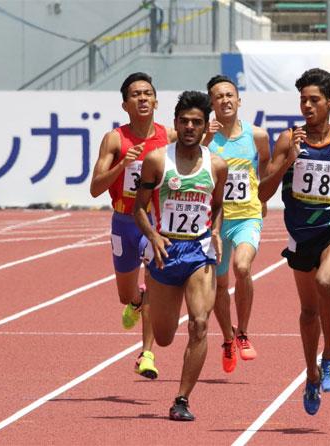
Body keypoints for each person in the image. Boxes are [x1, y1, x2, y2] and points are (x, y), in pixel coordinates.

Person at [259, 68, 330, 416]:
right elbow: (263, 192)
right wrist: (287, 162)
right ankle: (311, 372)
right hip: (300, 234)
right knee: (308, 311)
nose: (307, 106)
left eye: (314, 100)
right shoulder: (288, 140)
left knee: (326, 280)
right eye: (303, 100)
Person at [133, 90, 228, 421]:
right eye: (184, 121)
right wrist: (152, 235)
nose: (190, 127)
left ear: (205, 127)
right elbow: (138, 208)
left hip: (198, 251)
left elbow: (217, 207)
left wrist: (215, 231)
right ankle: (144, 303)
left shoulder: (217, 165)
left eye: (196, 122)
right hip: (165, 251)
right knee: (163, 336)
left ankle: (182, 400)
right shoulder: (158, 160)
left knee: (200, 324)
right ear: (175, 123)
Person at [89, 72, 176, 379]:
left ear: (155, 101)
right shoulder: (115, 139)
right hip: (124, 221)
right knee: (127, 295)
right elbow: (95, 188)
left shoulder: (170, 137)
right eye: (136, 94)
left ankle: (147, 354)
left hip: (154, 222)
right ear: (125, 104)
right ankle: (135, 302)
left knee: (154, 280)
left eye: (147, 93)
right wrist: (122, 165)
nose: (142, 98)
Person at [203, 75, 270, 373]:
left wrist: (263, 195)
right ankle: (228, 338)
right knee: (220, 284)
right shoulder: (206, 137)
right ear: (212, 103)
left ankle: (242, 332)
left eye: (230, 95)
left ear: (239, 100)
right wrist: (205, 139)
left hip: (246, 216)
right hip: (215, 220)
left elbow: (265, 163)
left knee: (243, 267)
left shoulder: (257, 135)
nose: (225, 100)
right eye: (219, 97)